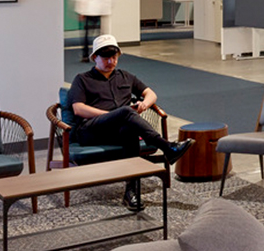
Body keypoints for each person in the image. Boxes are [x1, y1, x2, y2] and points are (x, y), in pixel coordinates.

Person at [67, 34, 194, 211]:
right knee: (126, 113)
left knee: (130, 129)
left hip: (119, 130)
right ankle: (167, 147)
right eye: (106, 58)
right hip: (91, 130)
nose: (111, 61)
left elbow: (151, 94)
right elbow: (78, 109)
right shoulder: (82, 79)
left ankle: (131, 192)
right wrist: (112, 115)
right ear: (95, 57)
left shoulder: (125, 77)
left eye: (114, 57)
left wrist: (144, 104)